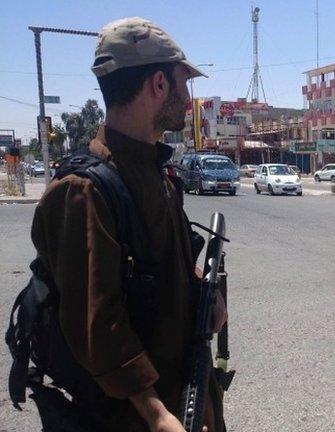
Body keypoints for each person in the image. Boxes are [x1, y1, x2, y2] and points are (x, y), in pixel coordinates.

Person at [30, 18, 225, 432]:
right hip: (133, 417)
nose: (187, 97)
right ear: (158, 84)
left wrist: (202, 294)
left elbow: (157, 266)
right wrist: (158, 416)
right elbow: (98, 326)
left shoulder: (156, 172)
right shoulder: (83, 191)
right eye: (182, 83)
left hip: (184, 390)